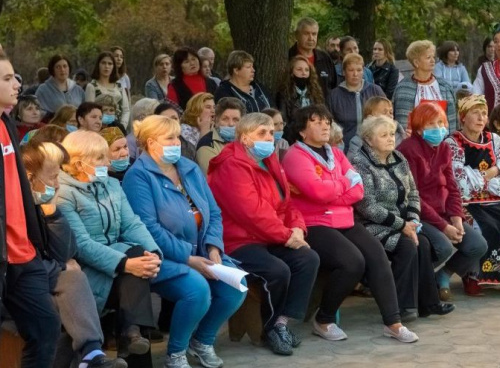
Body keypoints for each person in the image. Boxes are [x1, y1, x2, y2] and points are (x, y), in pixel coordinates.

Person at [281, 105, 418, 343]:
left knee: (376, 255)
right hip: (315, 223)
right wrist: (342, 185)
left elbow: (358, 189)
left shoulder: (335, 152)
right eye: (316, 121)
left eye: (326, 120)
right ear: (302, 131)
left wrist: (334, 189)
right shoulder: (295, 155)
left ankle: (393, 322)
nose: (325, 125)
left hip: (344, 218)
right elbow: (318, 191)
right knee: (352, 262)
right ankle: (323, 320)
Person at [122, 115, 246, 368]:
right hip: (161, 256)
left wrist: (213, 248)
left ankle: (202, 341)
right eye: (170, 138)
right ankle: (176, 353)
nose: (177, 143)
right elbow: (149, 229)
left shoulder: (188, 168)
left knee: (235, 285)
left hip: (201, 250)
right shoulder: (138, 176)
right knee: (196, 290)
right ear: (150, 142)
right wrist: (187, 258)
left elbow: (214, 212)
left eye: (178, 137)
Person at [208, 112, 320, 355]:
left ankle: (281, 323)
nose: (269, 138)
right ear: (245, 138)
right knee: (277, 271)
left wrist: (298, 228)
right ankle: (270, 329)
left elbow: (287, 204)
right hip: (239, 240)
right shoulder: (231, 166)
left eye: (271, 132)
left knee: (308, 259)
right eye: (262, 133)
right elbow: (251, 213)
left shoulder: (270, 161)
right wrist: (287, 236)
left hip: (268, 235)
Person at [22, 141, 127, 368]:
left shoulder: (42, 203)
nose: (57, 185)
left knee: (74, 278)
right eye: (51, 177)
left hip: (43, 277)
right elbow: (23, 262)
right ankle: (91, 355)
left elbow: (66, 252)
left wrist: (52, 214)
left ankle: (91, 354)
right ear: (29, 178)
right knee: (70, 286)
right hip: (18, 284)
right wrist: (58, 266)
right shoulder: (11, 207)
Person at [57, 130, 162, 358]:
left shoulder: (111, 184)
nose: (108, 162)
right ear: (78, 163)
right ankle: (130, 336)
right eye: (100, 158)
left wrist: (153, 253)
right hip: (86, 269)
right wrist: (125, 263)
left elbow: (132, 224)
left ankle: (131, 334)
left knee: (140, 260)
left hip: (118, 263)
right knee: (136, 272)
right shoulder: (63, 194)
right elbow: (81, 245)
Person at [351, 115, 455, 320]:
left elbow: (414, 193)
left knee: (423, 244)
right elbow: (366, 206)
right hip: (372, 224)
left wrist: (414, 220)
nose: (391, 138)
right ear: (369, 140)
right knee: (407, 246)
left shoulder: (398, 158)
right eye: (384, 135)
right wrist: (402, 225)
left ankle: (428, 304)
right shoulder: (359, 162)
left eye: (391, 134)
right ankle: (401, 306)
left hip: (403, 222)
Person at [0, 53, 61, 368]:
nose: (16, 84)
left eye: (15, 76)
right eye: (7, 78)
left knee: (46, 328)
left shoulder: (5, 121)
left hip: (23, 252)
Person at [398, 102, 488, 300]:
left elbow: (452, 187)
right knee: (443, 247)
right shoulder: (408, 149)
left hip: (444, 212)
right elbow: (413, 195)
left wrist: (456, 217)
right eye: (431, 124)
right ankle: (418, 282)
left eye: (441, 122)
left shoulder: (444, 147)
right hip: (419, 213)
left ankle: (443, 276)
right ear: (419, 128)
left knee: (477, 245)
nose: (438, 128)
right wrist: (443, 227)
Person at [445, 94, 500, 285]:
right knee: (488, 227)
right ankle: (473, 275)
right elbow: (461, 182)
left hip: (493, 198)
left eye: (484, 114)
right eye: (475, 113)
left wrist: (479, 175)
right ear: (463, 117)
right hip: (464, 201)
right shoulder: (453, 142)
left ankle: (494, 275)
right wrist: (492, 172)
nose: (481, 118)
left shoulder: (493, 139)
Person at [393, 40, 457, 133]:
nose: (433, 60)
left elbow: (452, 121)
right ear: (416, 62)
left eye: (433, 57)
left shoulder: (445, 86)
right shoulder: (403, 89)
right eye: (428, 57)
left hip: (443, 142)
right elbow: (402, 125)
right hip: (415, 144)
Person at [327, 53, 386, 153]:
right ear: (344, 72)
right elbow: (329, 124)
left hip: (374, 147)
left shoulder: (375, 91)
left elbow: (387, 116)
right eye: (351, 70)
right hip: (345, 148)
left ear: (363, 71)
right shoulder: (334, 95)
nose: (355, 74)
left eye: (359, 70)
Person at [276, 55, 324, 140]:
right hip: (293, 136)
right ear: (291, 72)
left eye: (306, 70)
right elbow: (284, 120)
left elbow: (322, 113)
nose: (304, 73)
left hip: (315, 134)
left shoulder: (315, 92)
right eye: (299, 69)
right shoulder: (284, 93)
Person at [288, 17, 337, 99]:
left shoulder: (325, 58)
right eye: (306, 33)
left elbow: (334, 86)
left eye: (314, 34)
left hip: (323, 109)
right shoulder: (288, 57)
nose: (311, 38)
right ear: (296, 35)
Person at [196, 97, 245, 175]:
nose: (231, 124)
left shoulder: (246, 142)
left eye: (235, 120)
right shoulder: (207, 144)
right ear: (216, 120)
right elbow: (218, 177)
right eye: (225, 119)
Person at [346, 96, 406, 160]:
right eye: (384, 112)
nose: (390, 116)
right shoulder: (357, 142)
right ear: (370, 117)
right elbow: (353, 165)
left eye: (391, 112)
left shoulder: (401, 137)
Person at [85, 51, 131, 129]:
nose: (107, 66)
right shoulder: (92, 86)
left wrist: (122, 126)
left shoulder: (119, 86)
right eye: (103, 63)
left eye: (110, 64)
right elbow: (89, 112)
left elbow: (126, 110)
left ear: (113, 66)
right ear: (98, 65)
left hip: (118, 129)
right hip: (98, 129)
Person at [474, 29, 500, 114]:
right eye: (496, 41)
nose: (499, 45)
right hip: (491, 125)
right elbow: (476, 98)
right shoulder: (485, 69)